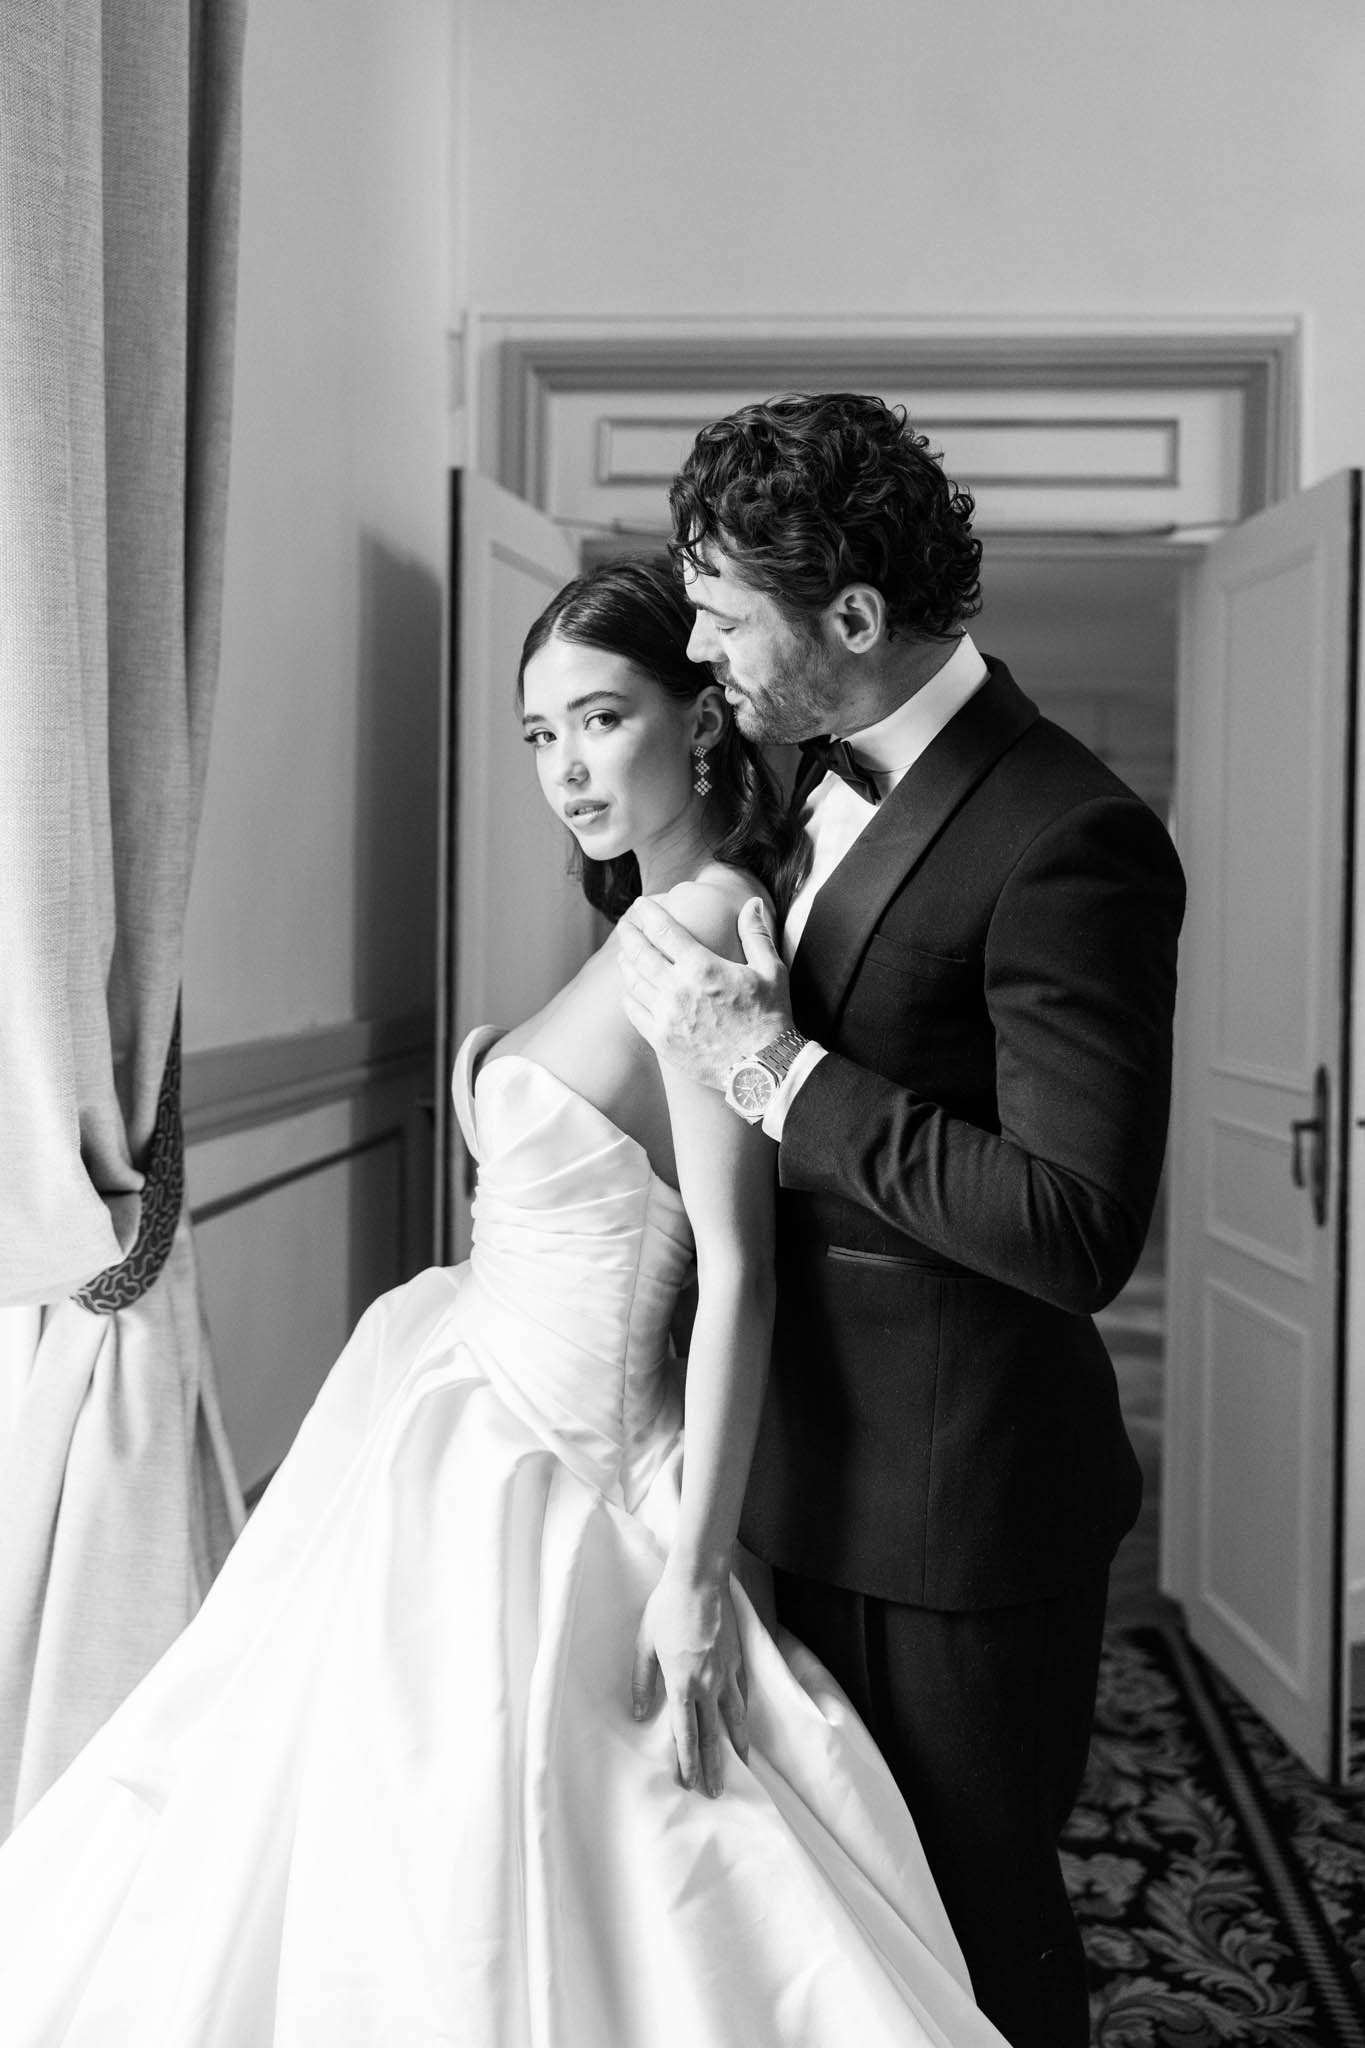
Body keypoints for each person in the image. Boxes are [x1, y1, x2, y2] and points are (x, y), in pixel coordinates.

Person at [0, 558, 1009, 2047]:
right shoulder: (643, 918)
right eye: (540, 736)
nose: (565, 769)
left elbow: (735, 1275)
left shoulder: (706, 938)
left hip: (567, 1468)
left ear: (701, 718)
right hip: (453, 1419)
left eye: (600, 719)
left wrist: (687, 1577)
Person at [617, 394, 1187, 2048]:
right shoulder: (794, 783)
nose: (701, 646)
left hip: (958, 1518)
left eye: (725, 614)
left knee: (972, 1932)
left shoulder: (1070, 834)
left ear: (852, 619)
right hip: (800, 1467)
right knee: (833, 1931)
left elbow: (1078, 1226)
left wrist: (776, 1074)